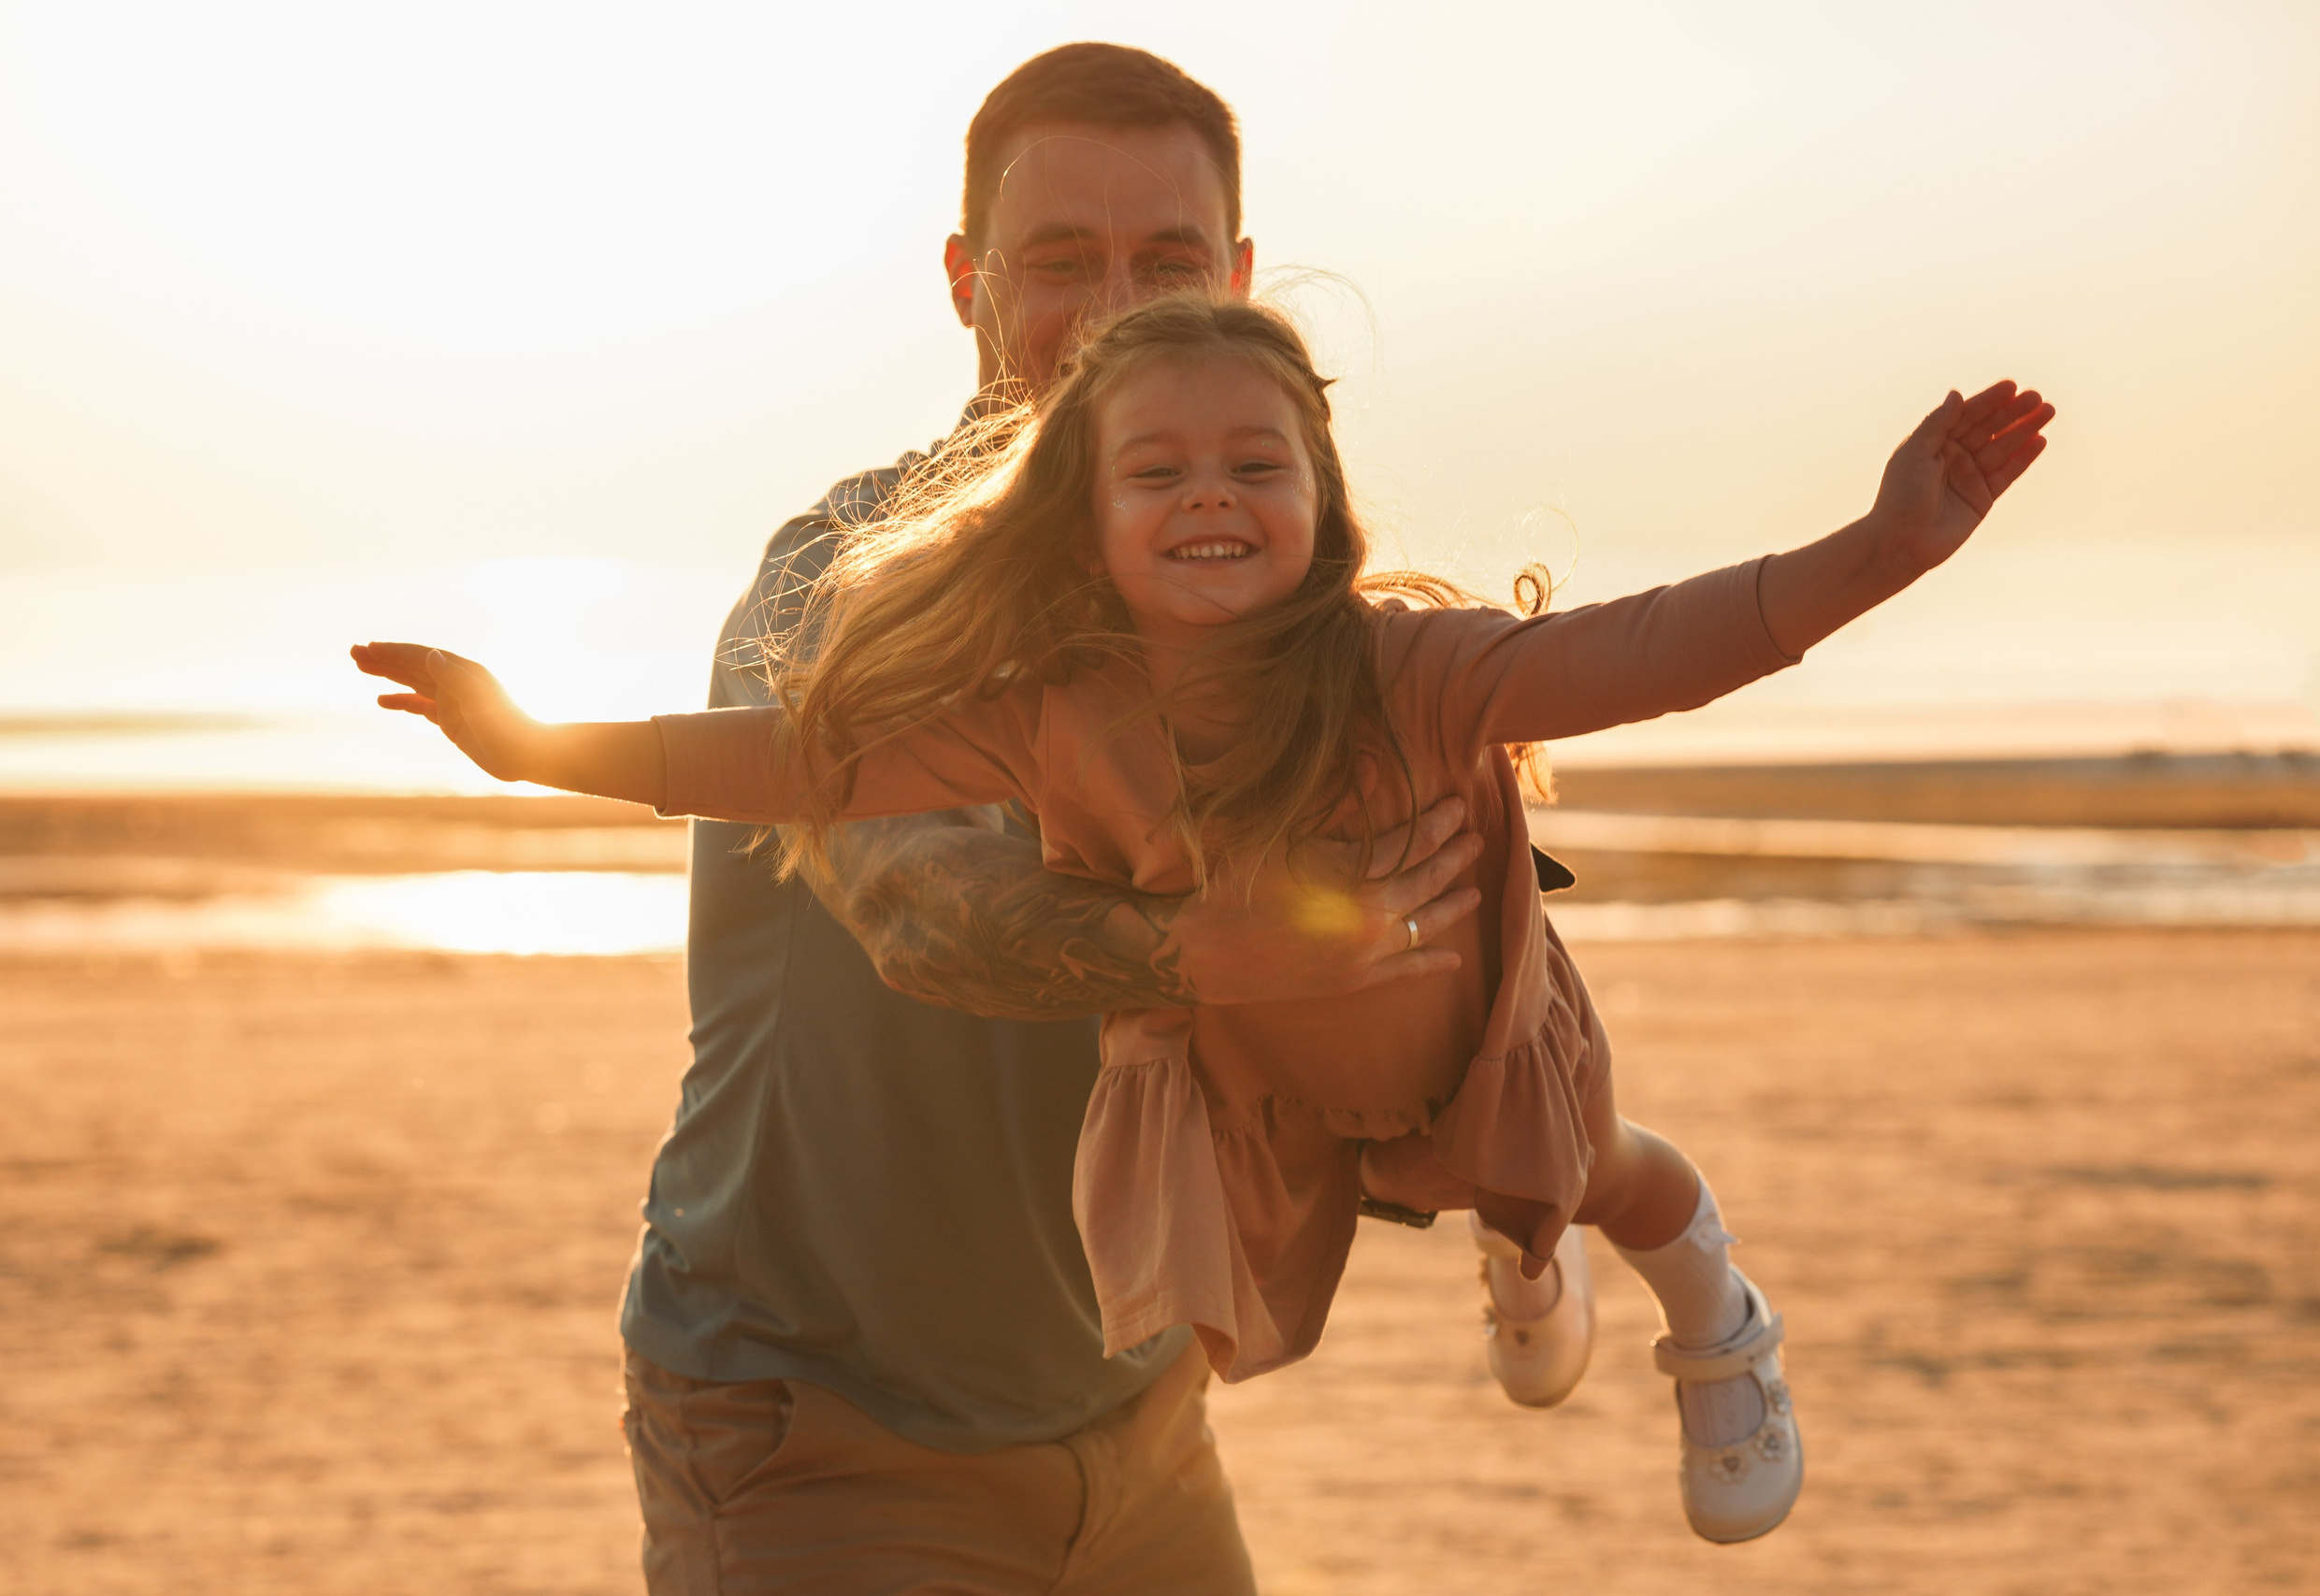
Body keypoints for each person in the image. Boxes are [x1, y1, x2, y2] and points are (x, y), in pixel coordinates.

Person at [353, 295, 2053, 1545]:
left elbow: (1650, 650)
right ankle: (1491, 1278)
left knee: (1584, 1176)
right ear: (1083, 526)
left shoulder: (1408, 670)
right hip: (1255, 1087)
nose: (1208, 492)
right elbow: (806, 760)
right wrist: (530, 749)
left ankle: (1707, 1314)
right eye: (1154, 468)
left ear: (1320, 507)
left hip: (1460, 1041)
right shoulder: (1049, 709)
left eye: (1256, 460)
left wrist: (1883, 548)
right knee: (1195, 1289)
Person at [487, 45, 1484, 1596]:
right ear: (966, 282)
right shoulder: (843, 583)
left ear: (1234, 275)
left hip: (1136, 1420)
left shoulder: (1259, 617)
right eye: (1059, 262)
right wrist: (1210, 950)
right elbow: (919, 901)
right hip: (818, 1426)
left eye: (1164, 260)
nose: (1116, 309)